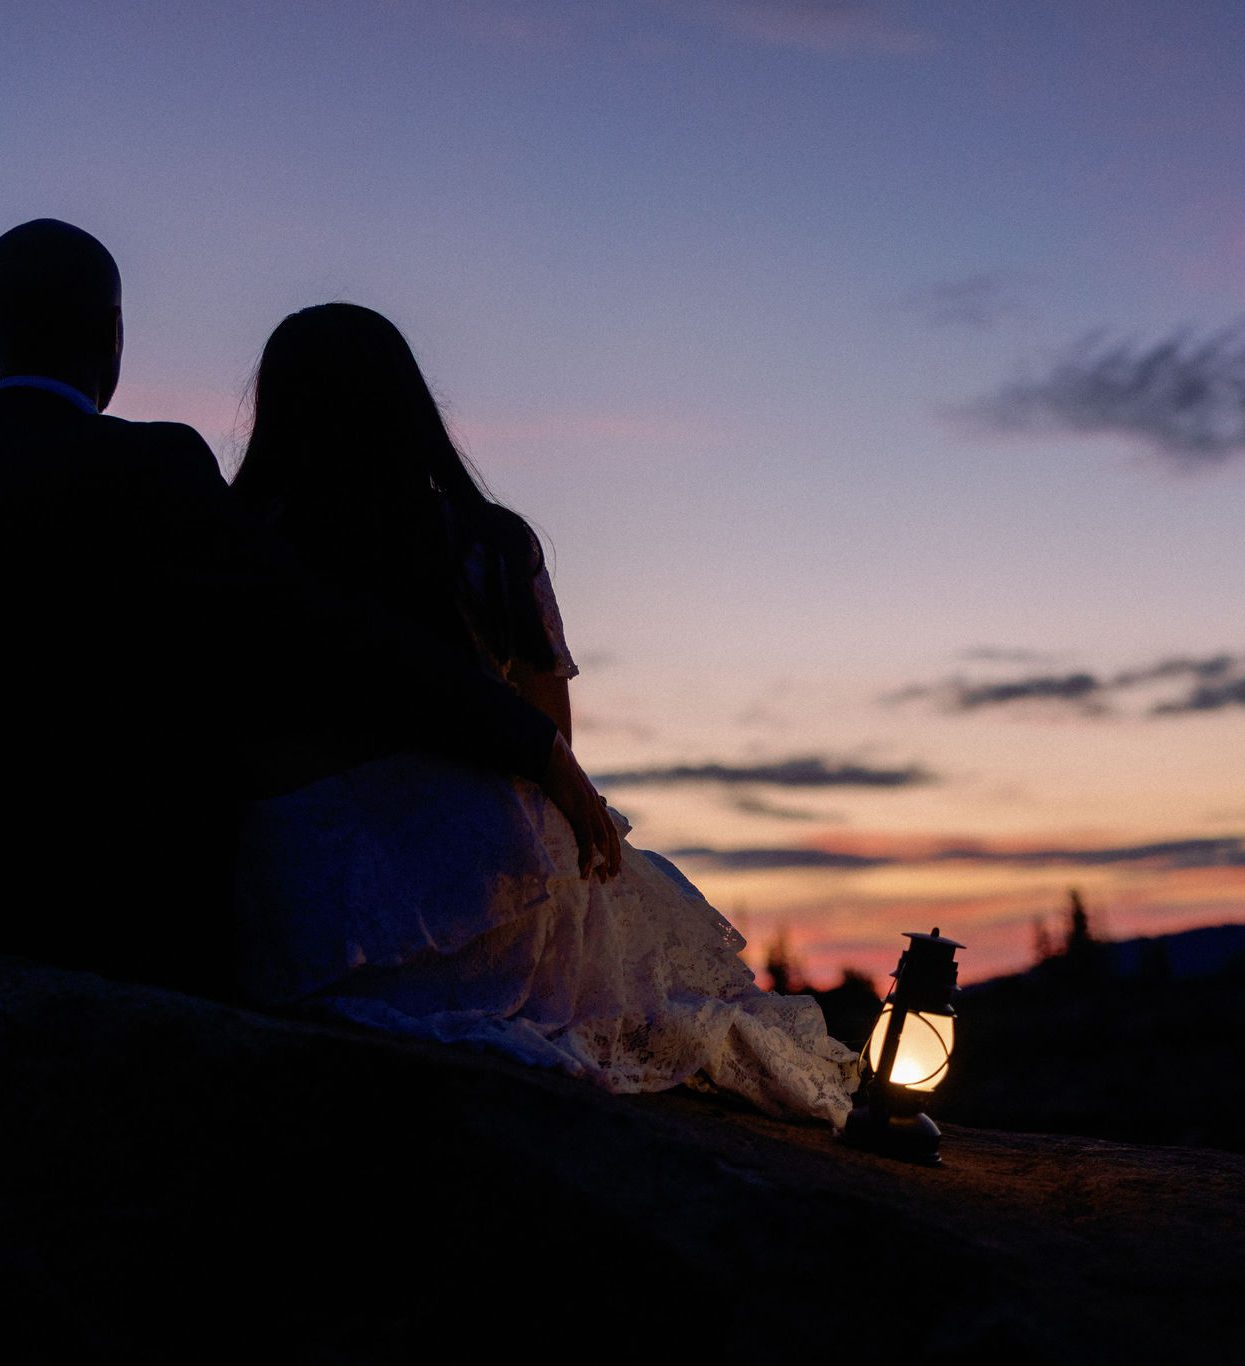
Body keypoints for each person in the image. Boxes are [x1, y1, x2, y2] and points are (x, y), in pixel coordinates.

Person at [0, 222, 618, 998]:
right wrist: (531, 740)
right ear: (114, 331)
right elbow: (328, 631)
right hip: (152, 938)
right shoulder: (153, 471)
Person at [227, 304, 858, 1127]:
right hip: (485, 878)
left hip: (303, 897)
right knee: (624, 937)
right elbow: (552, 739)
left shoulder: (245, 545)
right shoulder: (485, 546)